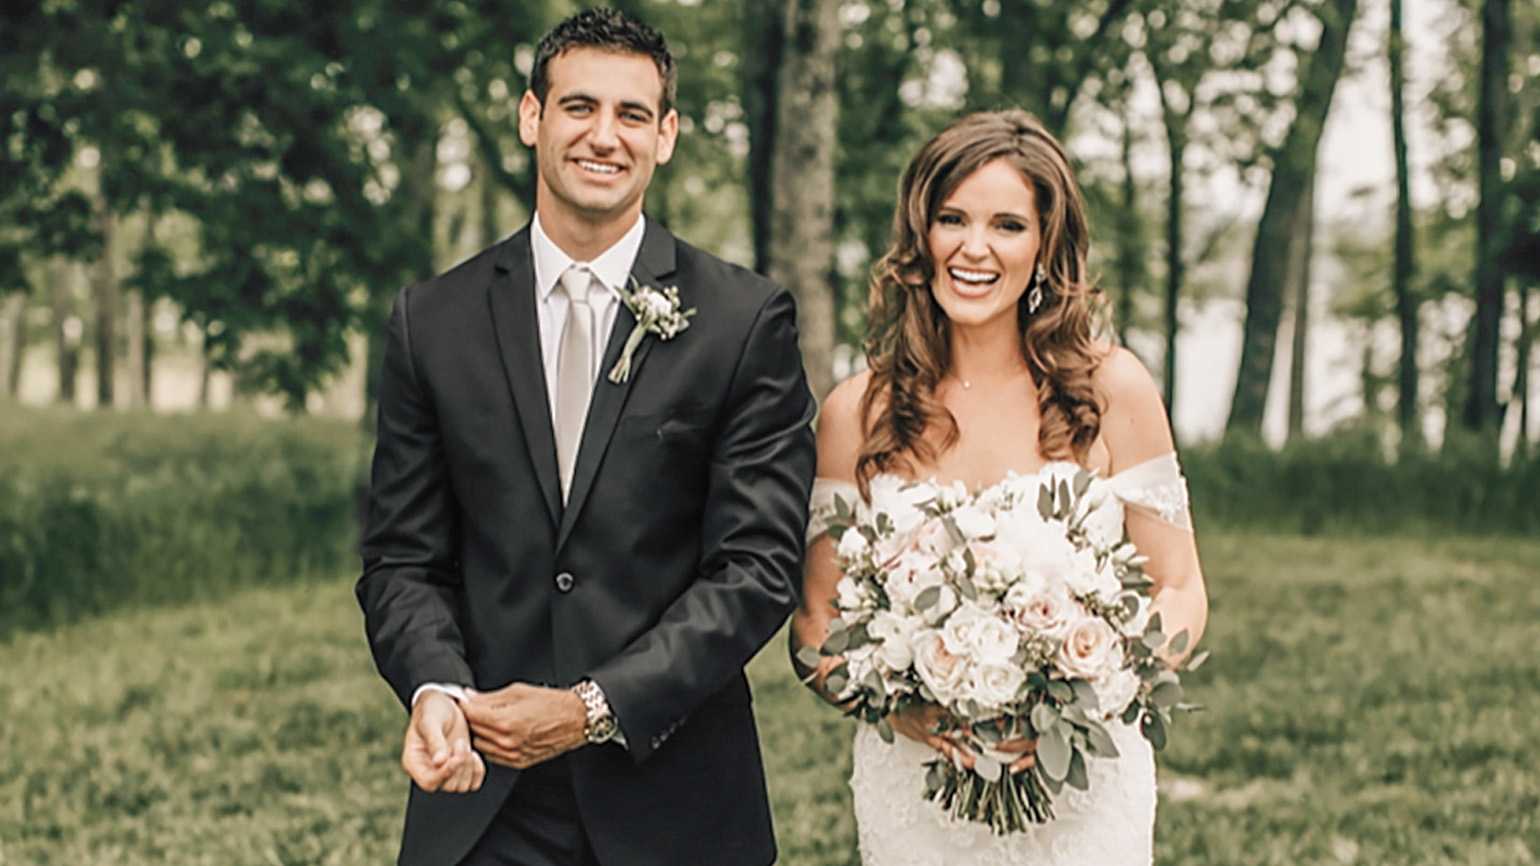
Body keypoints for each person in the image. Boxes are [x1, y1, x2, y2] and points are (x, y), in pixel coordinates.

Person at [356, 9, 816, 866]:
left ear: (666, 135)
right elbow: (402, 561)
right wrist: (435, 688)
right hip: (485, 810)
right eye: (579, 108)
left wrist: (589, 709)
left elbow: (756, 569)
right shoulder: (432, 321)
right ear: (532, 117)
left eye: (632, 115)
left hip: (677, 803)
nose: (605, 136)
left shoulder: (743, 322)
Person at [791, 109, 1209, 865]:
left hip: (1083, 793)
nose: (974, 248)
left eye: (1008, 225)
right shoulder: (858, 412)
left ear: (1046, 245)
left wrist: (1085, 682)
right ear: (921, 236)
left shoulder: (1112, 389)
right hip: (919, 791)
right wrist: (898, 702)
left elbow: (1180, 589)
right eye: (952, 219)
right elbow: (815, 623)